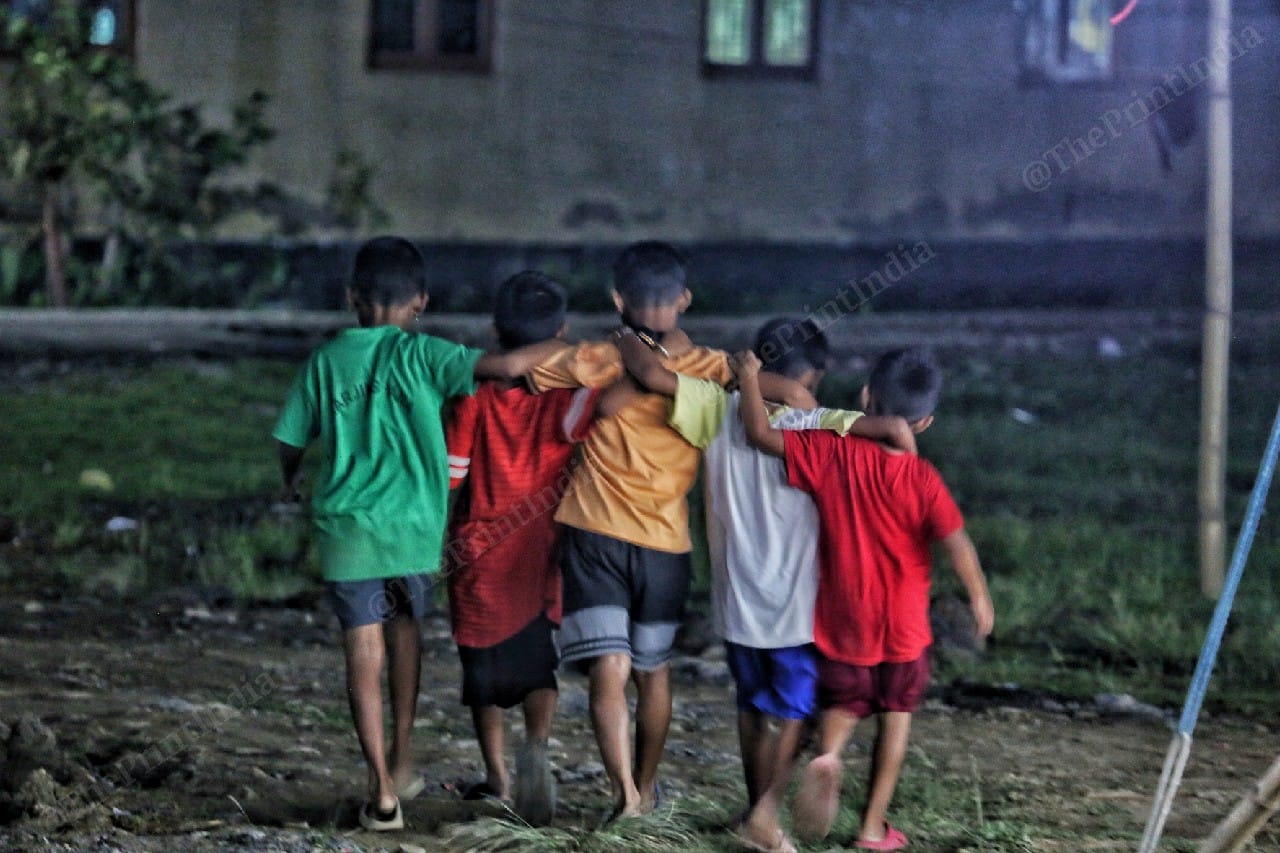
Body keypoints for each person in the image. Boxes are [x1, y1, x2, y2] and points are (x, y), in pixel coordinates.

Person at [271, 237, 565, 832]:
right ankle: (404, 757)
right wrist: (573, 346)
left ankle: (382, 790)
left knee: (363, 651)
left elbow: (290, 438)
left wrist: (290, 479)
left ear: (352, 298)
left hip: (348, 530)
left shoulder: (325, 362)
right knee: (406, 633)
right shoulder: (428, 354)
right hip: (412, 530)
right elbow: (508, 367)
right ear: (420, 302)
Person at [526, 241, 812, 822]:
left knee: (609, 667)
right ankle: (647, 784)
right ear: (684, 298)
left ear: (618, 299)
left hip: (594, 531)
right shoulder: (715, 368)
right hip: (665, 544)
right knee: (652, 672)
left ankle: (626, 796)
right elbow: (793, 393)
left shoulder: (602, 355)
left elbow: (527, 371)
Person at [617, 317, 916, 853]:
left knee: (752, 707)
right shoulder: (822, 423)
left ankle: (758, 813)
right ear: (813, 376)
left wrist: (632, 339)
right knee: (801, 715)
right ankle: (765, 818)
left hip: (736, 598)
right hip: (800, 606)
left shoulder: (714, 407)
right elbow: (893, 431)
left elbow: (655, 378)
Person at [735, 346, 995, 852]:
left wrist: (747, 378)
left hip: (843, 622)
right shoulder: (922, 478)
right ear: (925, 423)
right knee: (896, 718)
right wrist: (978, 595)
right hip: (904, 626)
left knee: (841, 702)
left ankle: (828, 753)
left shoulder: (833, 454)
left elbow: (760, 435)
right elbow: (957, 541)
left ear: (865, 396)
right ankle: (872, 830)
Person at [443, 271, 596, 826]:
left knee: (480, 670)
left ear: (495, 330)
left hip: (479, 549)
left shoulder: (474, 392)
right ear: (561, 330)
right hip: (542, 546)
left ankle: (498, 776)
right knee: (537, 661)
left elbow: (453, 473)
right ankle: (538, 744)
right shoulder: (573, 393)